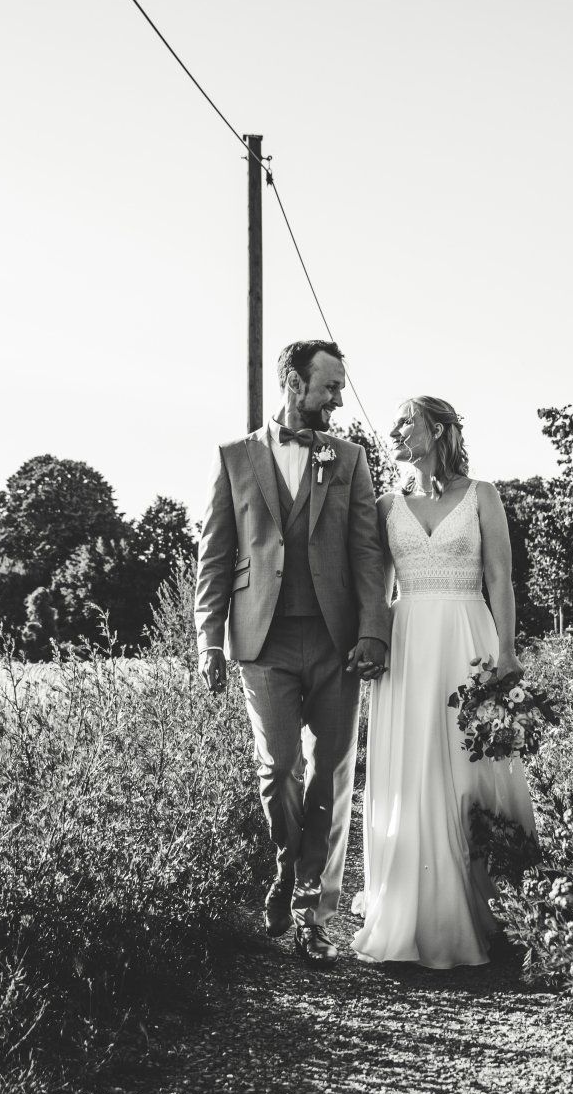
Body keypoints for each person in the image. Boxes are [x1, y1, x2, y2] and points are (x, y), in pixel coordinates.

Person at [194, 339, 391, 967]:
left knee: (331, 776)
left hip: (337, 643)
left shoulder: (349, 457)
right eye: (329, 386)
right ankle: (287, 867)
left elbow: (367, 551)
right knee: (279, 768)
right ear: (292, 381)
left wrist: (373, 630)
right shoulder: (234, 457)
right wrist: (208, 638)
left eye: (338, 387)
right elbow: (215, 555)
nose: (337, 398)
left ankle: (311, 909)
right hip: (262, 642)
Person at [350, 396, 537, 969]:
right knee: (414, 766)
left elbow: (501, 578)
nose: (395, 430)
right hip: (407, 647)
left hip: (466, 636)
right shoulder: (386, 504)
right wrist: (372, 644)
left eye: (405, 420)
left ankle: (494, 905)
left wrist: (505, 651)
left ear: (435, 428)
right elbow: (373, 590)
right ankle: (412, 906)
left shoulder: (483, 496)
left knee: (468, 766)